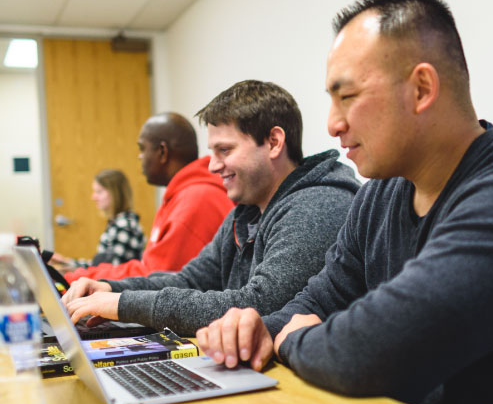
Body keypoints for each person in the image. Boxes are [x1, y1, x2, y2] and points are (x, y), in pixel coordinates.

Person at [196, 0, 493, 404]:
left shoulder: (491, 191)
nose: (333, 124)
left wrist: (288, 342)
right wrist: (259, 329)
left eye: (349, 97)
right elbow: (322, 297)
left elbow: (377, 349)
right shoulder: (379, 192)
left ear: (421, 88)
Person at [61, 80, 360, 336]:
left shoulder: (316, 206)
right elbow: (189, 279)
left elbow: (257, 306)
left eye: (224, 150)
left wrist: (124, 304)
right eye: (212, 152)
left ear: (273, 142)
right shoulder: (245, 213)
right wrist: (110, 289)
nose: (213, 165)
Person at [64, 112, 234, 283]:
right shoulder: (181, 196)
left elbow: (157, 279)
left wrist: (79, 278)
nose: (140, 156)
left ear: (162, 152)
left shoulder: (195, 201)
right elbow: (151, 267)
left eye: (142, 149)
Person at [51, 169, 145, 271]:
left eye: (99, 192)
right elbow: (99, 265)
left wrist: (69, 268)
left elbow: (110, 271)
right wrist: (66, 262)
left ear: (115, 194)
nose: (93, 197)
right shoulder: (118, 222)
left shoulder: (124, 226)